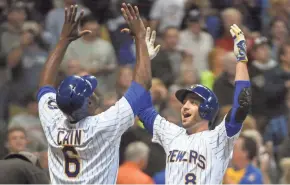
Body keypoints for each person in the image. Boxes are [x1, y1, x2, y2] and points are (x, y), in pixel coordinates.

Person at [37, 4, 159, 184]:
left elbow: (44, 84)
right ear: (89, 104)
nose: (94, 92)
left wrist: (63, 40)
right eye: (90, 91)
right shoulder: (104, 126)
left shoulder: (53, 121)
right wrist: (140, 38)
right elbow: (142, 85)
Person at [138, 24, 251, 184]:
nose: (184, 106)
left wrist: (241, 61)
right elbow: (142, 109)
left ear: (206, 108)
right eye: (184, 102)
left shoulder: (219, 138)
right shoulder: (172, 134)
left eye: (192, 102)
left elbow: (242, 103)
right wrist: (143, 61)